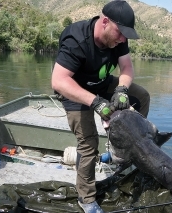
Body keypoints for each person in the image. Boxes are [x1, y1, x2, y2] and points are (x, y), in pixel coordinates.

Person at [51, 0, 150, 212]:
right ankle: (86, 199)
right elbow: (59, 81)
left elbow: (127, 67)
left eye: (125, 35)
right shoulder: (76, 38)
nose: (123, 39)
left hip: (102, 84)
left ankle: (123, 151)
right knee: (88, 144)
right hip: (74, 90)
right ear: (105, 22)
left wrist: (122, 89)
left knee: (141, 96)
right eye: (120, 33)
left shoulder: (118, 38)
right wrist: (95, 102)